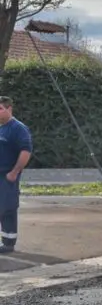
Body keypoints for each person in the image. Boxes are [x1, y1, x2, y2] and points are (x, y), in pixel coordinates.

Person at [0, 96, 32, 254]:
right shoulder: (1, 127)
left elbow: (26, 151)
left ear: (9, 109)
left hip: (7, 177)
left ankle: (8, 244)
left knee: (7, 209)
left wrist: (14, 173)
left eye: (0, 109)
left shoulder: (18, 128)